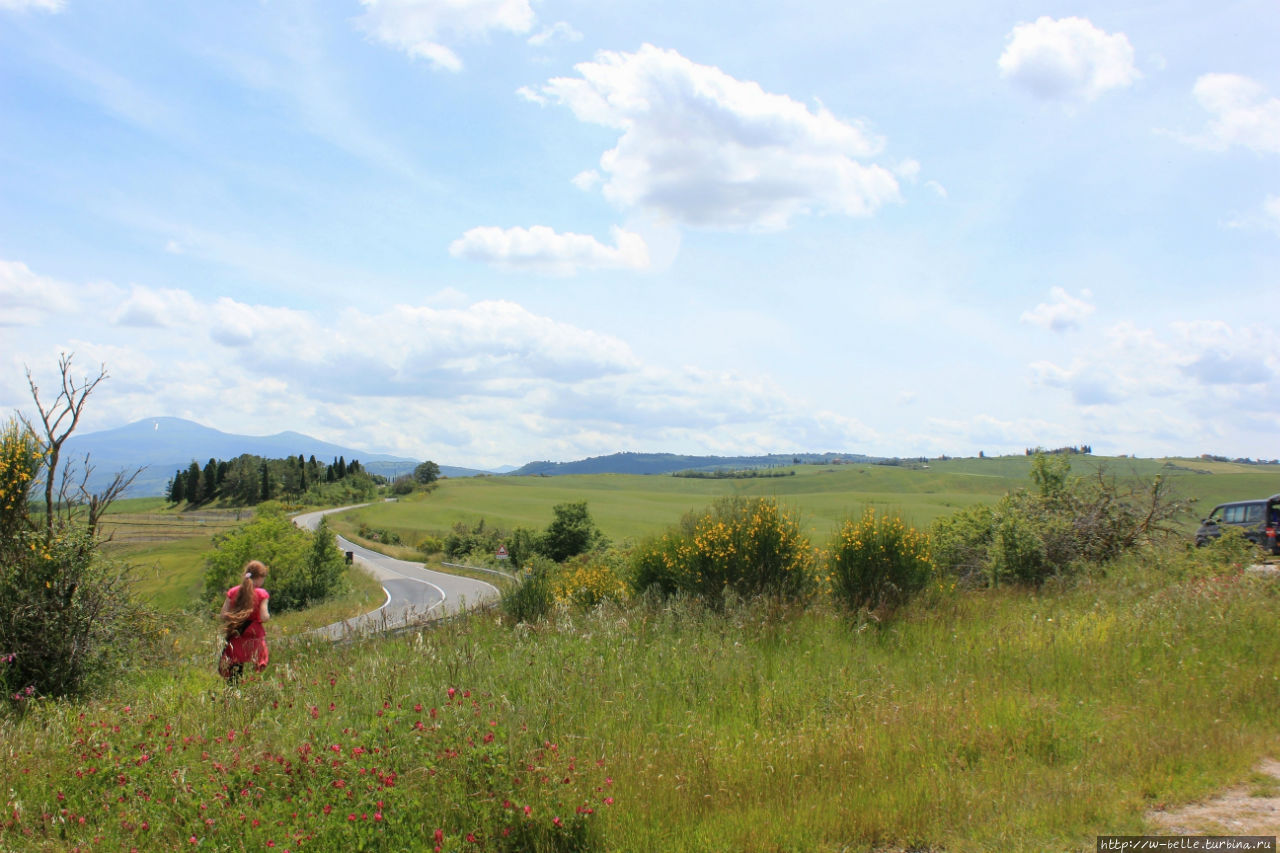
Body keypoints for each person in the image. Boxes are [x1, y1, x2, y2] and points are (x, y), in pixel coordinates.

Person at [218, 560, 270, 683]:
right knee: (256, 672)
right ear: (260, 577)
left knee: (235, 674)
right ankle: (254, 691)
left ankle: (234, 697)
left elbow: (223, 615)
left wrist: (237, 617)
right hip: (254, 639)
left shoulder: (233, 592)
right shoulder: (261, 594)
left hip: (236, 637)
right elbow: (264, 617)